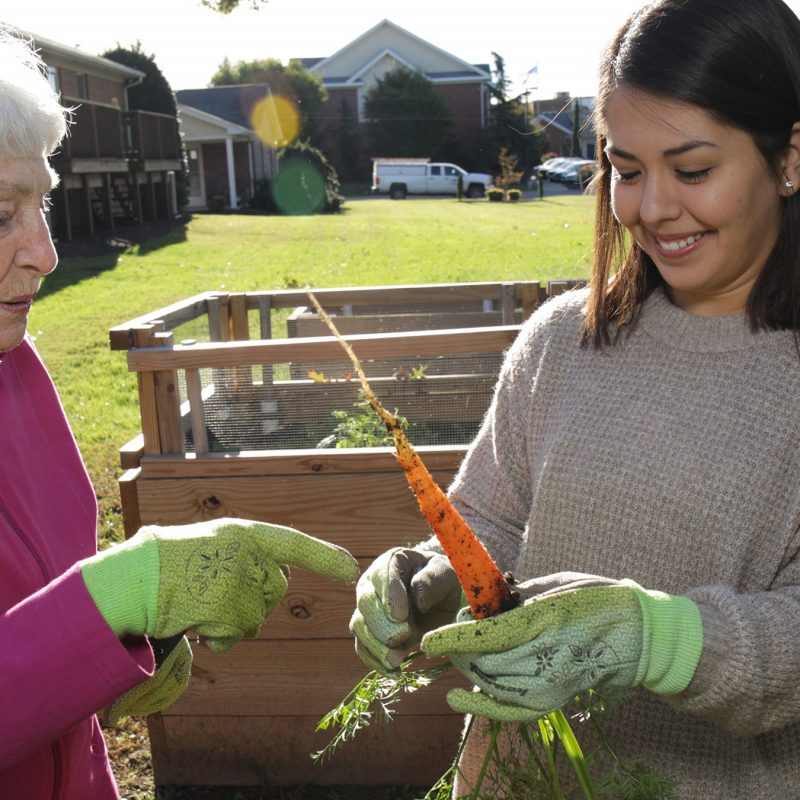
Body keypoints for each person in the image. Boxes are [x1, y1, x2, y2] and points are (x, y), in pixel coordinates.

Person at [351, 0, 800, 797]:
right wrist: (428, 575)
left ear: (790, 160)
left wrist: (655, 638)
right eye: (626, 171)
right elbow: (489, 517)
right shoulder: (564, 340)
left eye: (692, 170)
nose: (651, 209)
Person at [0, 28, 358, 799]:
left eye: (42, 206)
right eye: (1, 215)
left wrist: (128, 640)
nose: (46, 253)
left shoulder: (16, 370)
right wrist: (115, 598)